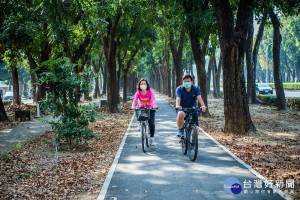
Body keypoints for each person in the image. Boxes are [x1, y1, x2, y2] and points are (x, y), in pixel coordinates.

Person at [131, 78, 158, 145]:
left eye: (144, 84)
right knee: (139, 114)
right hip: (142, 108)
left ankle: (151, 139)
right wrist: (133, 106)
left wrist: (154, 105)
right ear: (139, 85)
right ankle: (140, 123)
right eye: (141, 84)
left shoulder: (150, 92)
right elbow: (135, 100)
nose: (143, 85)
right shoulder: (138, 93)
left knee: (152, 124)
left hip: (150, 108)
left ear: (147, 85)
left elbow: (153, 99)